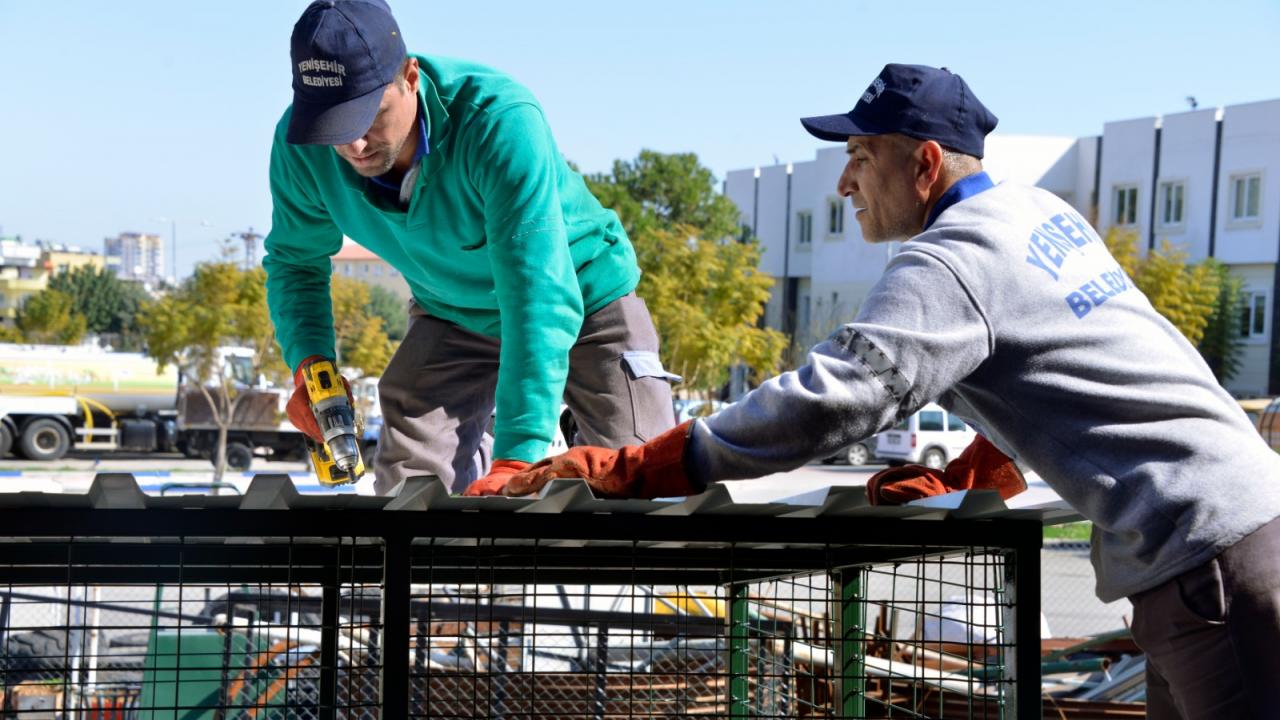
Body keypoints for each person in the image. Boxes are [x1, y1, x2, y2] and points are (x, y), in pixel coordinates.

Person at [494, 64, 1280, 718]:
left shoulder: (954, 260)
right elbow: (1076, 377)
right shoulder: (1037, 215)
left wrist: (644, 466)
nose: (845, 181)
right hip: (1232, 535)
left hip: (1213, 560)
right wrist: (975, 470)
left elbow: (835, 398)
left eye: (861, 156)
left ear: (925, 165)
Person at [264, 0, 677, 495]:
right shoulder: (300, 147)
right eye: (334, 127)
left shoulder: (498, 121)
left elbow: (537, 295)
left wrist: (517, 456)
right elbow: (295, 262)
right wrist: (310, 366)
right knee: (410, 493)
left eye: (367, 117)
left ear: (410, 77)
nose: (353, 146)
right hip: (452, 311)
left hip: (585, 296)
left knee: (645, 483)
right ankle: (460, 539)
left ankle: (566, 430)